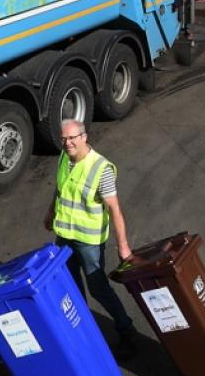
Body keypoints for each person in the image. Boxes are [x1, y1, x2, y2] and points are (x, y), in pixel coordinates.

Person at [44, 119, 137, 359]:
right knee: (71, 287)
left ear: (84, 137)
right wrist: (50, 212)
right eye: (64, 138)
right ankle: (84, 333)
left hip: (88, 241)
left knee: (97, 288)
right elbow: (60, 188)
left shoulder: (101, 168)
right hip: (64, 236)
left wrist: (123, 246)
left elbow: (114, 209)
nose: (67, 143)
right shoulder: (64, 158)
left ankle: (126, 328)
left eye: (72, 138)